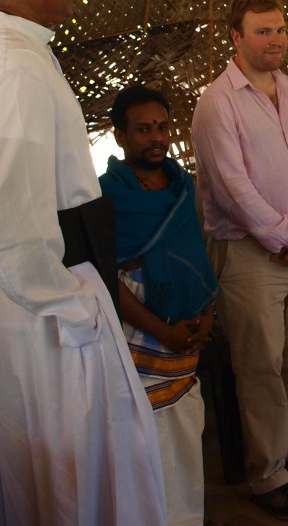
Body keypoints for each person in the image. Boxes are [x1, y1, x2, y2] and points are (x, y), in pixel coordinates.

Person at [0, 0, 166, 525]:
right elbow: (11, 211)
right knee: (75, 470)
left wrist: (4, 266)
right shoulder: (13, 64)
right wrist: (66, 301)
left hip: (21, 290)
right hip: (52, 305)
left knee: (45, 470)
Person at [191, 0, 288, 521]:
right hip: (249, 256)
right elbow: (232, 190)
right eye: (262, 31)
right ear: (236, 37)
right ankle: (267, 471)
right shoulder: (217, 103)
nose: (275, 40)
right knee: (260, 366)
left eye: (279, 29)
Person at [99, 84, 217, 526]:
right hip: (138, 335)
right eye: (143, 129)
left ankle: (186, 517)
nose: (156, 137)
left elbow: (195, 256)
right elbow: (107, 279)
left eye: (163, 127)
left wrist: (205, 313)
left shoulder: (183, 186)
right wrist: (160, 329)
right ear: (120, 137)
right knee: (145, 440)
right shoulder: (106, 196)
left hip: (187, 329)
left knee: (185, 434)